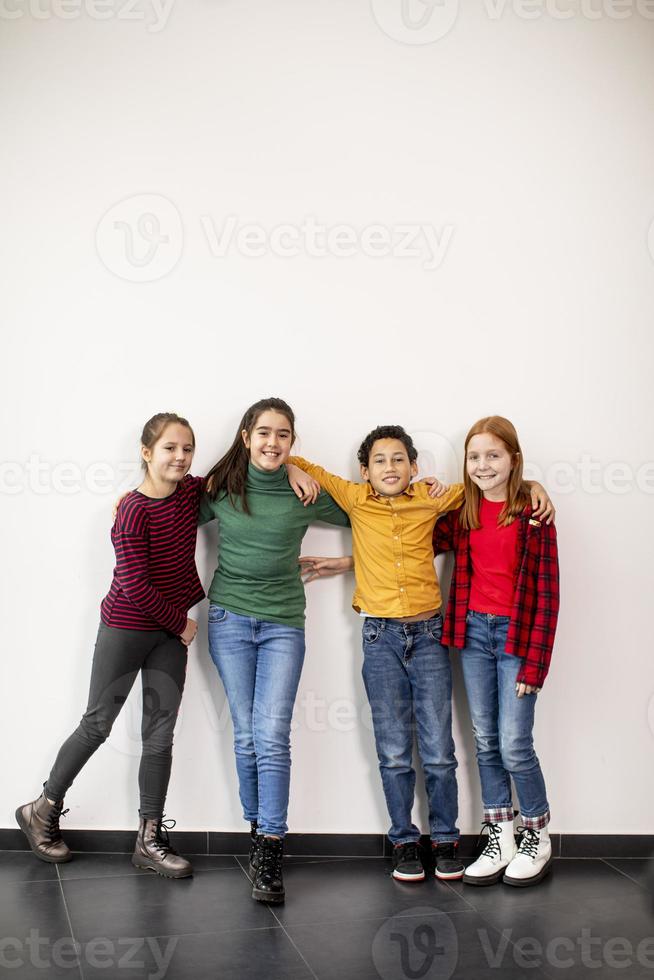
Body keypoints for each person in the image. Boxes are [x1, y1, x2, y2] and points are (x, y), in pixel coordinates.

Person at [288, 427, 553, 883]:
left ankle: (448, 839)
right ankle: (405, 841)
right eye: (379, 461)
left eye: (398, 460)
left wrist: (533, 485)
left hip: (432, 634)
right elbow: (313, 470)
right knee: (394, 750)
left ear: (415, 467)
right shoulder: (354, 499)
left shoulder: (437, 500)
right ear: (364, 471)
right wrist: (293, 463)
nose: (389, 468)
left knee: (440, 749)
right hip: (380, 638)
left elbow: (483, 490)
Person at [16, 413, 204, 878]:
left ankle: (148, 838)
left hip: (167, 636)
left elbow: (240, 462)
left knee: (160, 736)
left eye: (187, 449)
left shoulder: (190, 493)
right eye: (169, 448)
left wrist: (298, 466)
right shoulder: (131, 511)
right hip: (126, 628)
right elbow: (133, 584)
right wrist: (179, 623)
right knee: (98, 723)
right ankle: (41, 809)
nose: (179, 457)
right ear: (146, 452)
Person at [199, 397, 349, 905]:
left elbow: (372, 513)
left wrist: (345, 561)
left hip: (284, 623)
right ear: (246, 437)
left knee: (272, 734)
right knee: (246, 736)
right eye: (264, 433)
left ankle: (271, 844)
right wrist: (125, 503)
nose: (272, 442)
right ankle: (257, 828)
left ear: (292, 442)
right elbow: (168, 512)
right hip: (228, 621)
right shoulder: (220, 488)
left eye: (283, 435)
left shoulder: (302, 492)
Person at [430, 416, 559, 887]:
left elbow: (548, 595)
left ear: (513, 460)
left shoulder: (534, 513)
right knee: (485, 739)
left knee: (514, 744)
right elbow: (417, 537)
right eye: (474, 456)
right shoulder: (461, 511)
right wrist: (423, 494)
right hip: (472, 635)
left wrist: (535, 664)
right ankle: (500, 829)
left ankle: (536, 832)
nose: (483, 465)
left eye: (493, 455)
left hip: (516, 639)